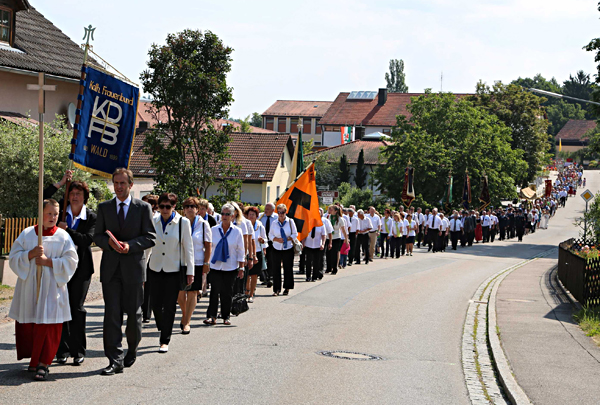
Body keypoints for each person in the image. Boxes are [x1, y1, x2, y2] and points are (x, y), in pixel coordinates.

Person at [93, 168, 156, 375]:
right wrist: (110, 244)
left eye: (122, 183)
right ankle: (114, 359)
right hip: (111, 270)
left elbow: (150, 237)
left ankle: (132, 348)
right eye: (115, 183)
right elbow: (98, 236)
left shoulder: (143, 208)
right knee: (112, 315)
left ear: (130, 185)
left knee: (134, 314)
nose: (118, 186)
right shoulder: (104, 207)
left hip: (134, 270)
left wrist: (130, 246)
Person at [9, 199, 78, 380]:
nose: (53, 217)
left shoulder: (63, 236)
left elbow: (72, 261)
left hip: (52, 287)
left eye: (55, 214)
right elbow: (13, 257)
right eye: (49, 213)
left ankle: (44, 363)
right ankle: (34, 360)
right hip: (30, 286)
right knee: (31, 323)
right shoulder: (27, 234)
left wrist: (49, 262)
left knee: (50, 324)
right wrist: (30, 254)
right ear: (40, 214)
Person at [43, 171, 96, 366]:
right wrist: (60, 182)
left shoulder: (91, 217)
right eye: (72, 192)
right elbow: (42, 198)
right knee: (61, 307)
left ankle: (78, 351)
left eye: (78, 194)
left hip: (81, 269)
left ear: (84, 197)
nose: (74, 196)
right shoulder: (60, 211)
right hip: (59, 267)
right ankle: (62, 350)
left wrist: (68, 231)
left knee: (76, 308)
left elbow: (87, 240)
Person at [148, 193, 194, 352]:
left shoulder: (183, 222)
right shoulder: (153, 221)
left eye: (168, 206)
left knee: (169, 306)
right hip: (154, 268)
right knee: (155, 303)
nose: (165, 209)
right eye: (162, 206)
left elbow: (189, 248)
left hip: (173, 270)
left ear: (174, 207)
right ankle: (162, 325)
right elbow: (148, 245)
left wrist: (190, 271)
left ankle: (164, 340)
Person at [204, 203, 245, 325]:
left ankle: (226, 316)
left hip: (230, 267)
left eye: (227, 214)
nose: (224, 216)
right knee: (214, 291)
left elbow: (241, 250)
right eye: (223, 214)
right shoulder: (214, 230)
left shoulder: (237, 231)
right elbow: (209, 247)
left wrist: (242, 267)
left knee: (227, 293)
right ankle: (211, 316)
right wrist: (206, 263)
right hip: (215, 265)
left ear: (232, 216)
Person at [179, 197, 211, 334]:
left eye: (193, 206)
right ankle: (185, 313)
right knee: (180, 292)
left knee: (192, 292)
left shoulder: (203, 224)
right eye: (187, 206)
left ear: (197, 209)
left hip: (197, 262)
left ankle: (186, 321)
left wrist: (206, 263)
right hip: (181, 261)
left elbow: (208, 245)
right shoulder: (179, 223)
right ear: (184, 209)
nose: (190, 208)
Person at [269, 204, 298, 296]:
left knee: (288, 268)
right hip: (276, 247)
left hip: (287, 247)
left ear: (286, 212)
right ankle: (276, 289)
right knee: (276, 269)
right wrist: (277, 239)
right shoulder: (274, 223)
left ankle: (287, 288)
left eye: (283, 212)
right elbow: (270, 235)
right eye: (279, 212)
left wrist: (287, 239)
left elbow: (295, 234)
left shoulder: (290, 221)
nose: (281, 214)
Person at [141, 194, 159, 322]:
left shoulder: (156, 217)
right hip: (142, 253)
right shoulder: (139, 216)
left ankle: (147, 313)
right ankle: (141, 311)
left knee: (149, 285)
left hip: (154, 254)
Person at [245, 206, 266, 302]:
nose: (251, 216)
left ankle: (251, 293)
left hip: (257, 252)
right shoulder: (244, 225)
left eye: (253, 215)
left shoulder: (260, 225)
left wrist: (262, 241)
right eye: (249, 214)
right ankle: (246, 292)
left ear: (256, 216)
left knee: (254, 275)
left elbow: (265, 239)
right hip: (247, 252)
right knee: (247, 275)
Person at [325, 205, 348, 275]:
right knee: (328, 253)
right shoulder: (328, 217)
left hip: (336, 238)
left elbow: (343, 230)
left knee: (334, 253)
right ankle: (328, 267)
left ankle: (334, 268)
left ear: (336, 211)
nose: (330, 210)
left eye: (331, 209)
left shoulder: (340, 219)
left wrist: (346, 239)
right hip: (328, 237)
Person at [259, 203, 276, 288]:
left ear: (273, 210)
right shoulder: (261, 217)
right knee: (263, 260)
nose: (266, 211)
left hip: (272, 241)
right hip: (262, 241)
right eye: (265, 209)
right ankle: (264, 277)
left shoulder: (276, 217)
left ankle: (271, 277)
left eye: (268, 209)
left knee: (271, 259)